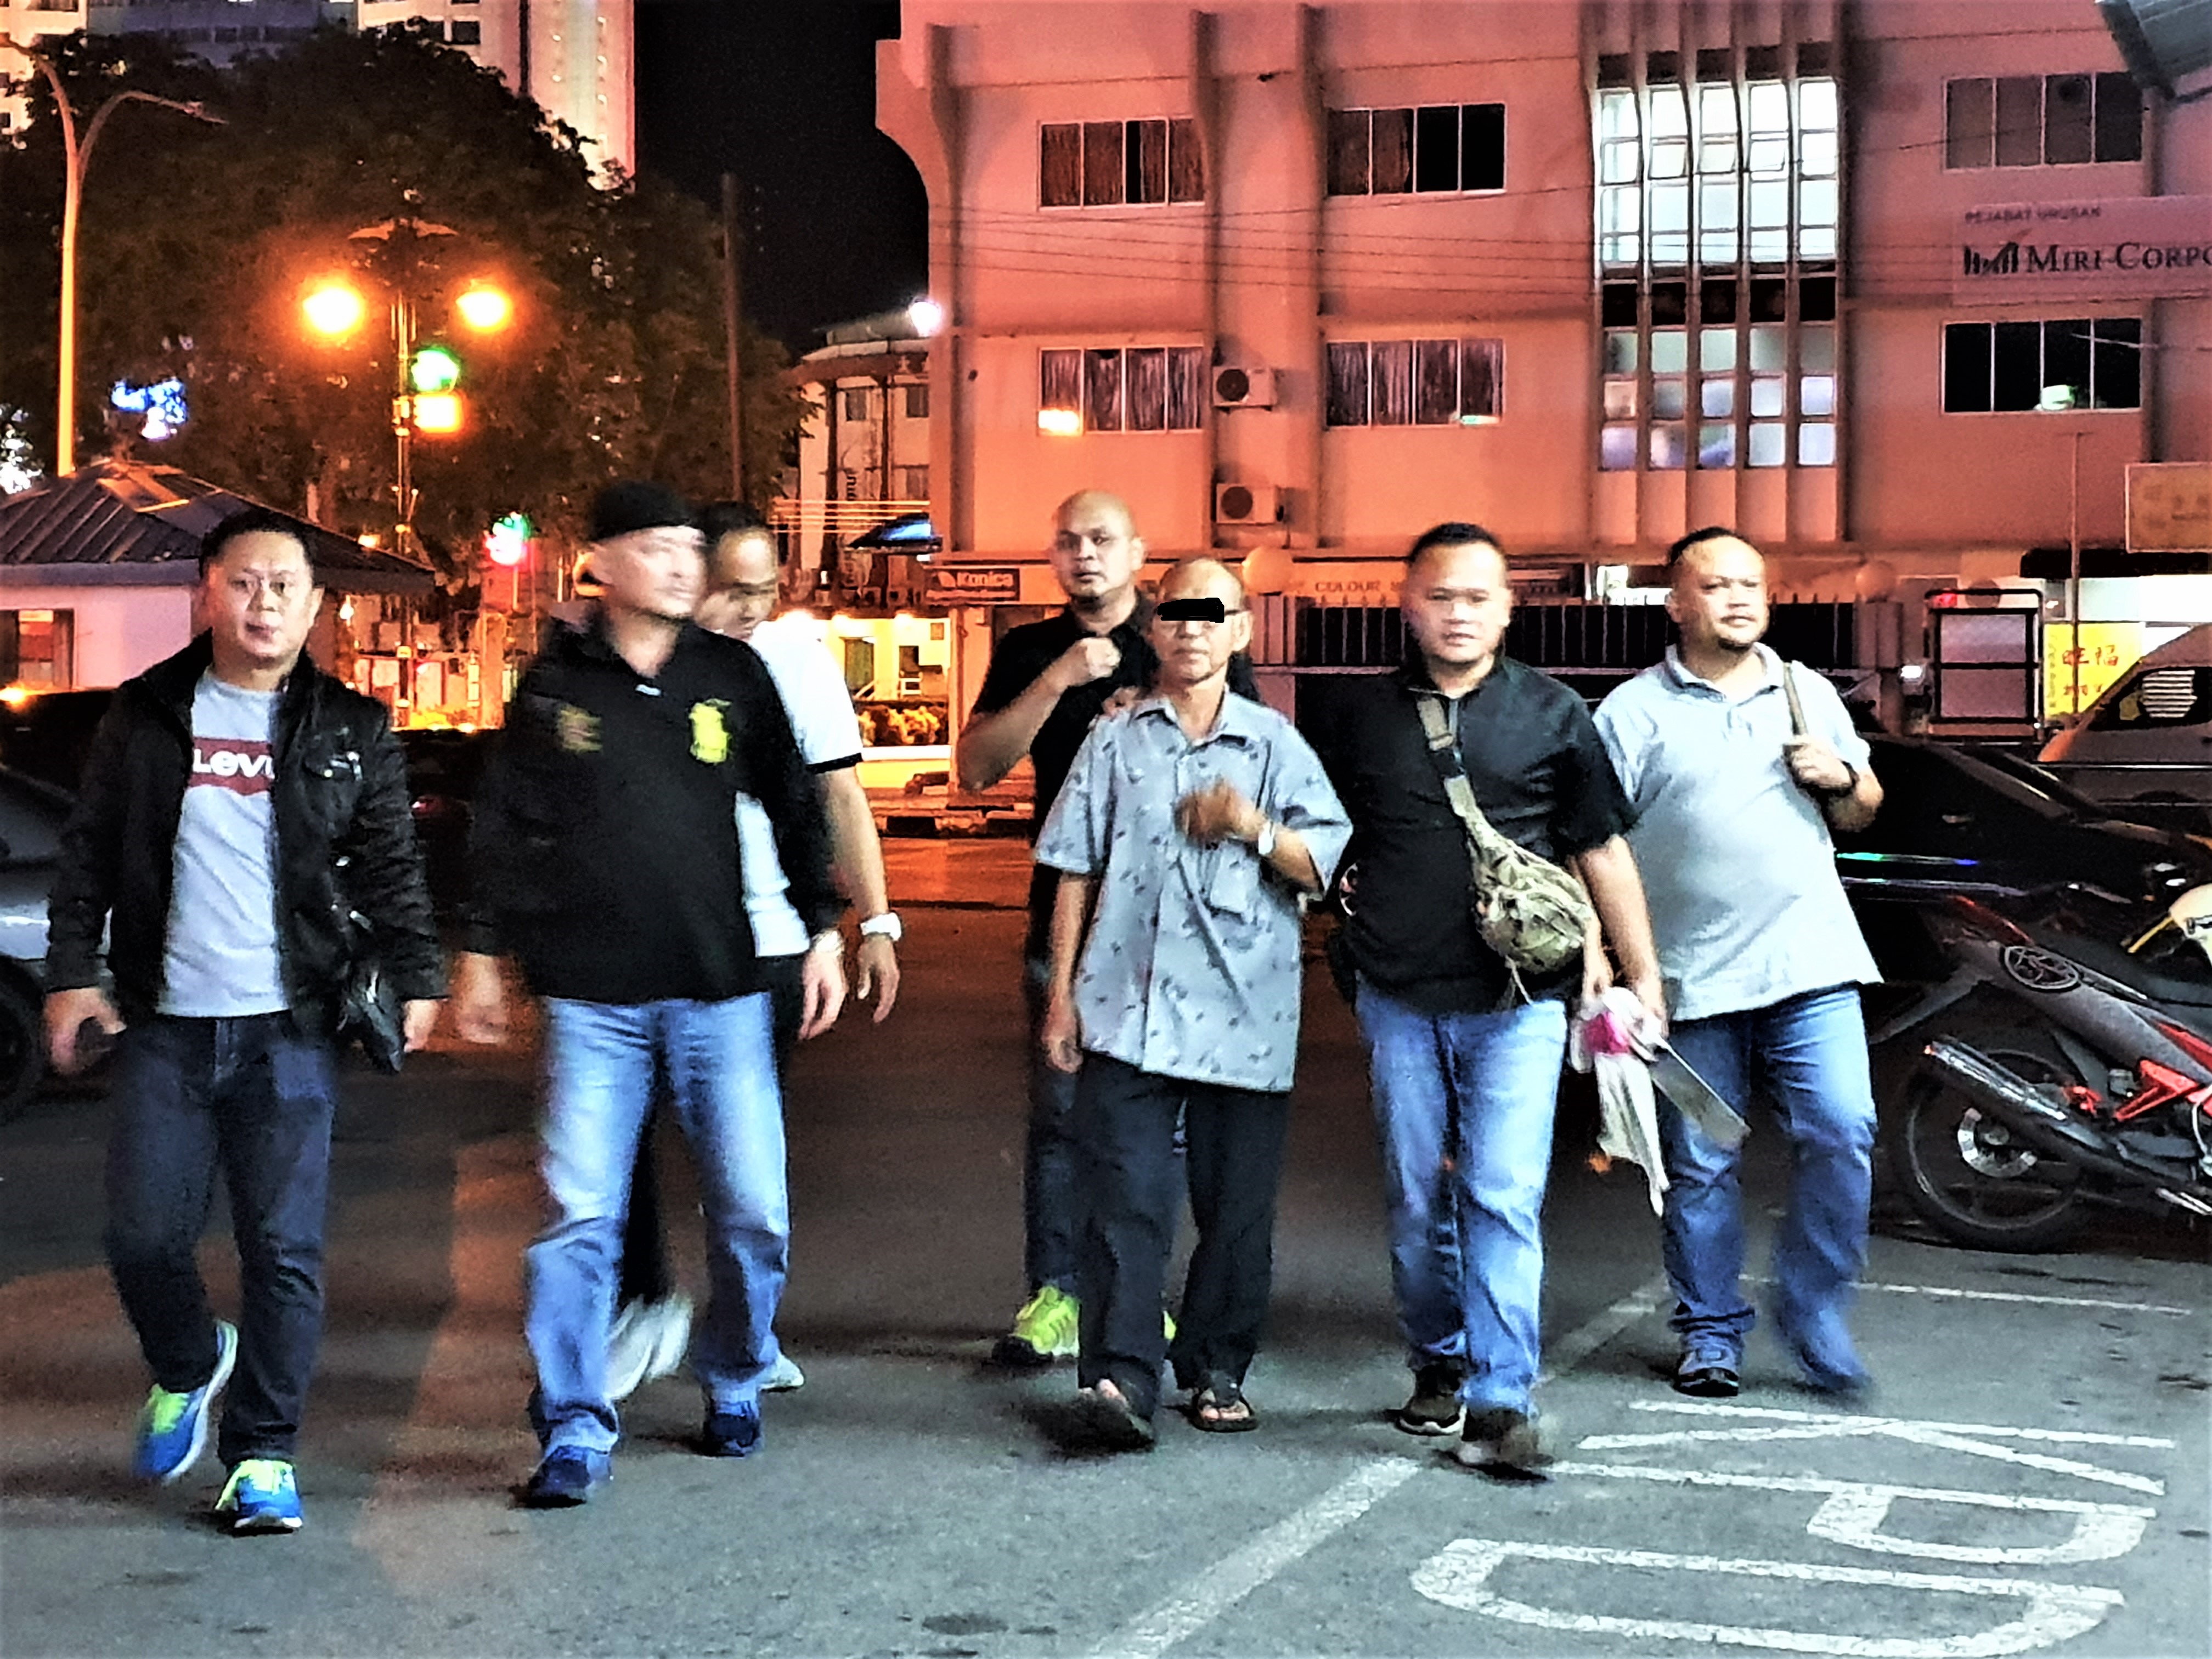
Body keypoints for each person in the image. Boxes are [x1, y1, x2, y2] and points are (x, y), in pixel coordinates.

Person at [43, 507, 443, 1533]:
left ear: (315, 606)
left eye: (283, 586)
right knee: (141, 1237)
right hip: (165, 1027)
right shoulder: (145, 715)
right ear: (207, 594)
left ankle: (264, 1454)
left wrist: (421, 976)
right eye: (243, 583)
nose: (263, 603)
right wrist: (72, 975)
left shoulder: (352, 728)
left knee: (283, 1250)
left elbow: (393, 865)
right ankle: (188, 1361)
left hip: (291, 1030)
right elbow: (88, 854)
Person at [452, 482, 844, 1506]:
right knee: (579, 1216)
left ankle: (736, 1369)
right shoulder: (556, 687)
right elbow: (502, 825)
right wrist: (481, 951)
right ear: (603, 563)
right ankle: (574, 1426)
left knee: (754, 1212)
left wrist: (826, 928)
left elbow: (797, 806)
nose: (681, 565)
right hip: (592, 1002)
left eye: (689, 549)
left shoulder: (731, 675)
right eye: (658, 547)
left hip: (722, 993)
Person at [1307, 523, 1662, 1472]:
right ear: (1407, 604)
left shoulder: (1554, 714)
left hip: (1522, 999)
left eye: (1477, 597)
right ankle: (1439, 1359)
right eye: (1440, 596)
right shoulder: (1356, 715)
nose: (1458, 614)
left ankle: (1504, 1400)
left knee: (1503, 1194)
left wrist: (1642, 974)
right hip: (1397, 992)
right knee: (1415, 1192)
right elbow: (1315, 833)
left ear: (1508, 608)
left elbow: (1601, 847)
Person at [1035, 559, 1348, 1448]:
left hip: (1246, 1011)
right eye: (1177, 613)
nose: (1193, 628)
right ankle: (1119, 1378)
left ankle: (1216, 1366)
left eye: (1213, 614)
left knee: (1235, 1207)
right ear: (1154, 629)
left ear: (1241, 630)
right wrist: (1060, 998)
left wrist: (1251, 826)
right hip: (1125, 1006)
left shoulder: (1277, 746)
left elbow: (1322, 865)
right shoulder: (1115, 739)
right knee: (1121, 1200)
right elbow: (1072, 868)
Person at [605, 501, 904, 1400]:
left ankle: (745, 1337)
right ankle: (645, 1297)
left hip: (763, 947)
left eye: (763, 592)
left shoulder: (791, 663)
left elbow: (839, 798)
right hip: (639, 945)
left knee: (741, 1170)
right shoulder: (621, 658)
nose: (747, 609)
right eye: (731, 590)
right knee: (614, 1138)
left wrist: (869, 925)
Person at [957, 489, 1258, 1365]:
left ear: (1138, 552)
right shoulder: (1029, 650)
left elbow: (1247, 765)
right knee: (1061, 1117)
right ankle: (1057, 1293)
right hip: (1068, 917)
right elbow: (976, 769)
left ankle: (1136, 1295)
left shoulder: (1188, 633)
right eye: (1068, 541)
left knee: (1158, 1129)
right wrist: (1057, 681)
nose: (1084, 554)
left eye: (1102, 539)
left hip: (1177, 925)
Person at [1594, 527, 1883, 1400]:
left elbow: (1864, 810)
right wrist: (1612, 961)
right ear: (1676, 604)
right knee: (1702, 1162)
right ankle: (1711, 1332)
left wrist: (1842, 779)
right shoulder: (1629, 714)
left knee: (1843, 1129)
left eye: (1752, 584)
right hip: (1686, 988)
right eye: (1717, 585)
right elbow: (1594, 843)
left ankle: (1814, 1308)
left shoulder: (1805, 692)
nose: (1740, 598)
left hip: (1812, 970)